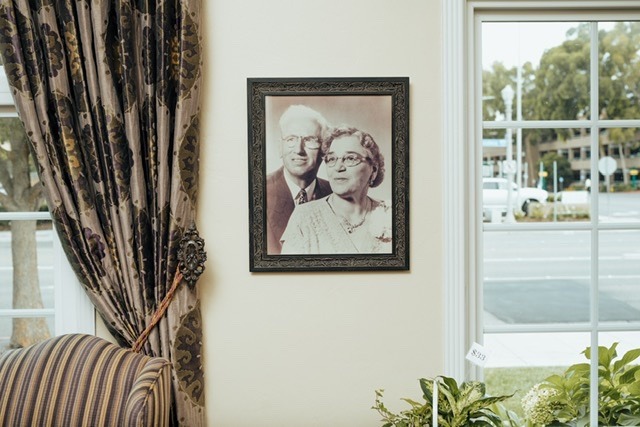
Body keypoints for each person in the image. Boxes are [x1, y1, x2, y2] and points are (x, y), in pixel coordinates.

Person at [280, 126, 392, 254]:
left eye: (350, 158)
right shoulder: (304, 217)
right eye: (332, 159)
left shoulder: (389, 214)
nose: (338, 167)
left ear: (373, 170)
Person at [266, 105, 332, 254]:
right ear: (280, 147)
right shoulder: (258, 192)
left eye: (309, 140)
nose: (298, 150)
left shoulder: (336, 194)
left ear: (324, 149)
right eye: (291, 139)